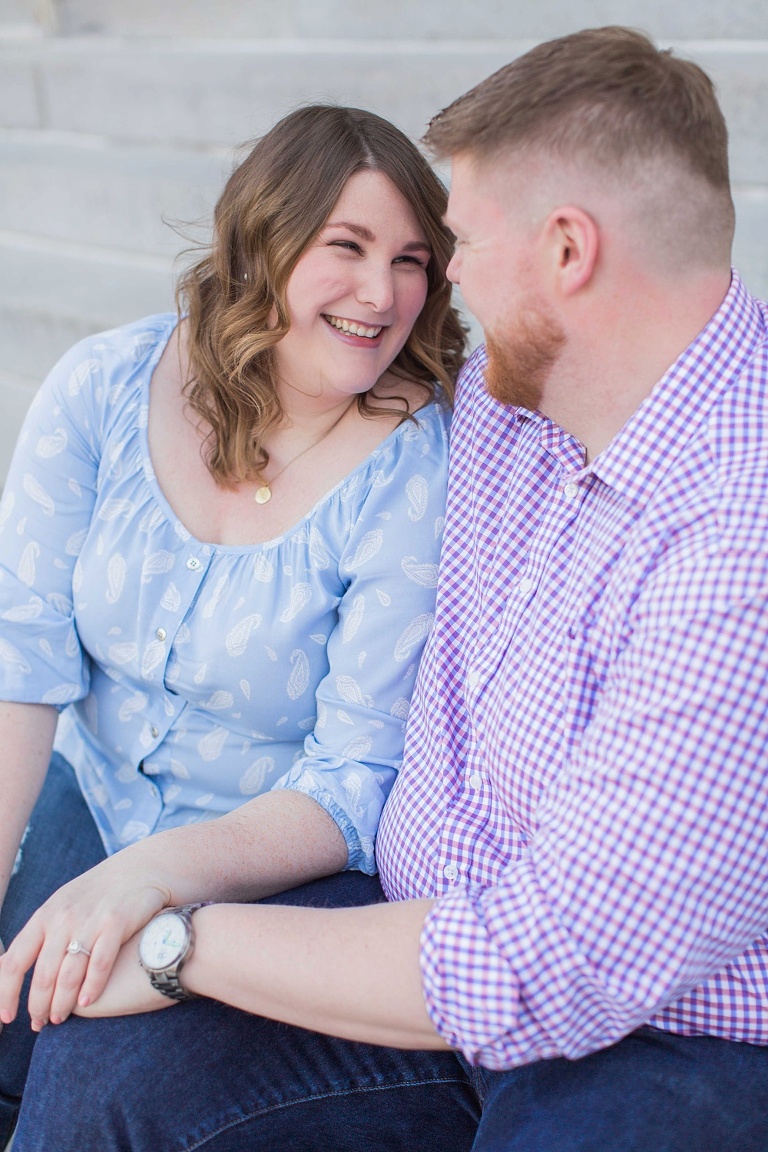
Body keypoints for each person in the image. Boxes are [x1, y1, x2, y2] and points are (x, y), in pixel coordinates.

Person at [6, 25, 768, 1152]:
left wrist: (178, 937)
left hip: (648, 1033)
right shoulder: (516, 410)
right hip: (414, 936)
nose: (433, 283)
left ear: (567, 251)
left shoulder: (733, 542)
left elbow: (538, 967)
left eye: (450, 243)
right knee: (107, 1071)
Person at [0, 104, 466, 1147]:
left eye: (412, 261)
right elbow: (18, 660)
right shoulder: (106, 386)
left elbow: (354, 779)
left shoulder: (412, 469)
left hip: (273, 870)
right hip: (91, 795)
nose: (383, 293)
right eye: (344, 247)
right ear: (262, 242)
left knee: (79, 1076)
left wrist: (150, 882)